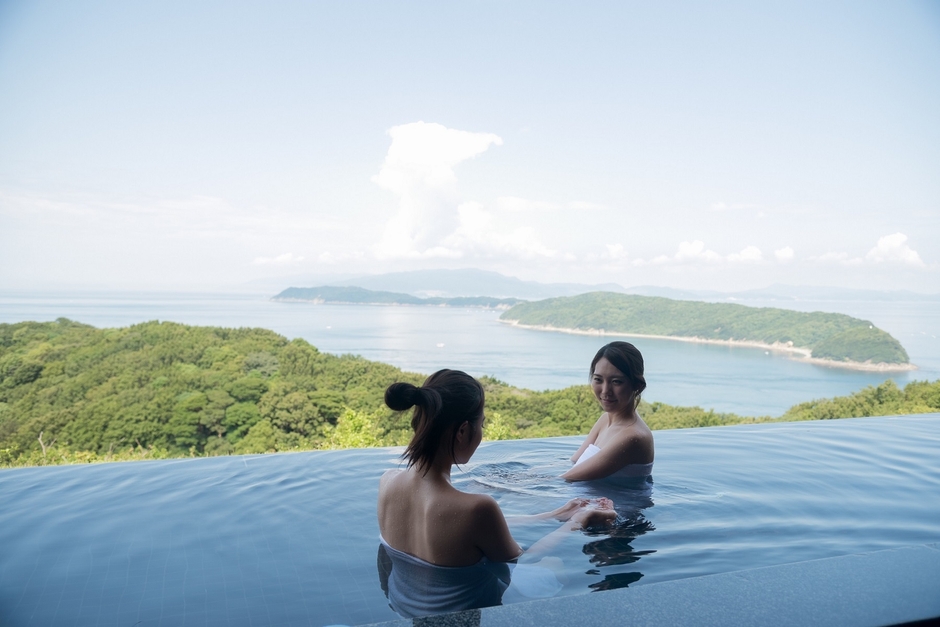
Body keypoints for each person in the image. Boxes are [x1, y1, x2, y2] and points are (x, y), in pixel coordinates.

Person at [377, 369, 615, 617]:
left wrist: (554, 515)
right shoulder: (477, 508)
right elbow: (522, 561)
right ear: (462, 432)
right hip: (461, 620)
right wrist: (577, 521)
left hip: (403, 611)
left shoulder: (387, 482)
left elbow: (455, 530)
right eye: (481, 424)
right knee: (553, 566)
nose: (481, 433)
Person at [562, 342, 654, 482]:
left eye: (616, 382)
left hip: (614, 498)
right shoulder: (605, 419)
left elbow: (568, 478)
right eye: (598, 380)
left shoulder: (633, 437)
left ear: (637, 386)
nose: (605, 391)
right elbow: (574, 462)